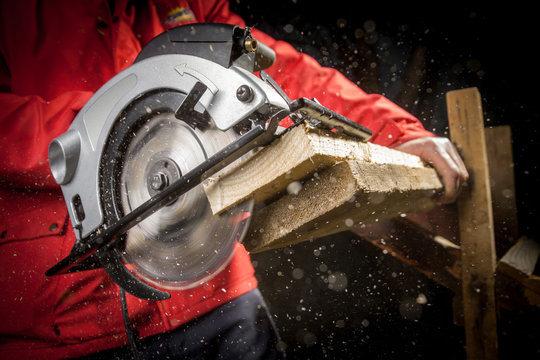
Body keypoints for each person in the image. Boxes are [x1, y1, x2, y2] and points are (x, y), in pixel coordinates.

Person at [0, 0, 468, 359]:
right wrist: (137, 117)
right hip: (68, 323)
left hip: (214, 288)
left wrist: (395, 133)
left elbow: (273, 72)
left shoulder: (179, 3)